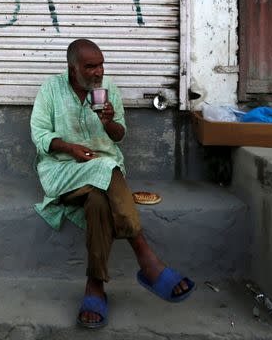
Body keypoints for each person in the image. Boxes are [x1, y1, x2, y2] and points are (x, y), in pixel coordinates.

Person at [30, 38, 195, 329]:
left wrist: (108, 123)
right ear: (73, 69)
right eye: (90, 66)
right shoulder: (51, 89)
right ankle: (146, 256)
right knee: (108, 166)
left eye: (101, 64)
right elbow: (40, 135)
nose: (98, 72)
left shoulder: (109, 91)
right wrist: (70, 148)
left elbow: (119, 135)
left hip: (102, 178)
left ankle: (95, 286)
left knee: (97, 201)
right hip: (63, 169)